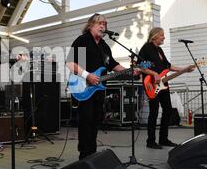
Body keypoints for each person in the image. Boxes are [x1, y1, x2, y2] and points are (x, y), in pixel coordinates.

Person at [66, 13, 135, 160]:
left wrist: (131, 70)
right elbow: (70, 63)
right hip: (83, 88)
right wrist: (88, 76)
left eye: (105, 24)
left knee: (96, 121)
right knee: (86, 122)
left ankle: (91, 154)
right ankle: (84, 156)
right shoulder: (83, 40)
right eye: (100, 23)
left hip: (98, 91)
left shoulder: (104, 47)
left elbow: (113, 65)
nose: (103, 26)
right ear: (91, 25)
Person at [139, 27, 194, 149]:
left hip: (164, 84)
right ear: (155, 36)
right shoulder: (146, 48)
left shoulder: (159, 50)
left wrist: (185, 69)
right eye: (162, 35)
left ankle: (163, 139)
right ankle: (151, 141)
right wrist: (154, 74)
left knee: (168, 109)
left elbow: (168, 67)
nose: (164, 37)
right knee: (153, 111)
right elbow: (141, 66)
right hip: (151, 83)